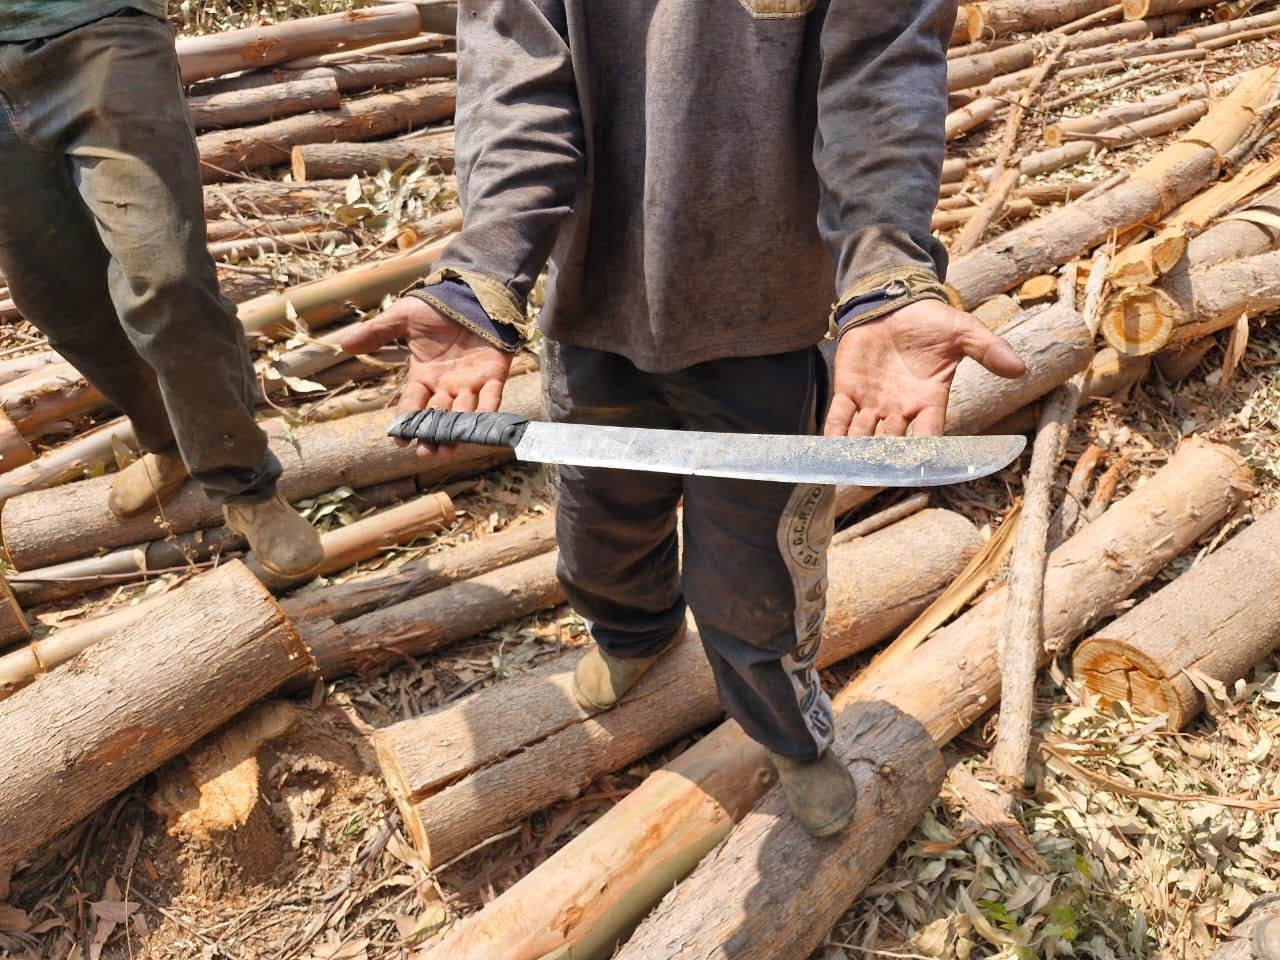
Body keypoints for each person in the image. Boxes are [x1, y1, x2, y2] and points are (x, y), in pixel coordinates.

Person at [342, 0, 1025, 836]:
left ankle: (786, 728)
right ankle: (634, 634)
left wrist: (885, 270)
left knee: (759, 578)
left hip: (764, 320)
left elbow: (878, 72)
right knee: (599, 530)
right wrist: (485, 269)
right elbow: (517, 75)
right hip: (594, 310)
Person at [0, 2, 323, 578]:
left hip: (95, 28)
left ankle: (243, 485)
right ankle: (168, 440)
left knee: (164, 275)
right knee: (58, 300)